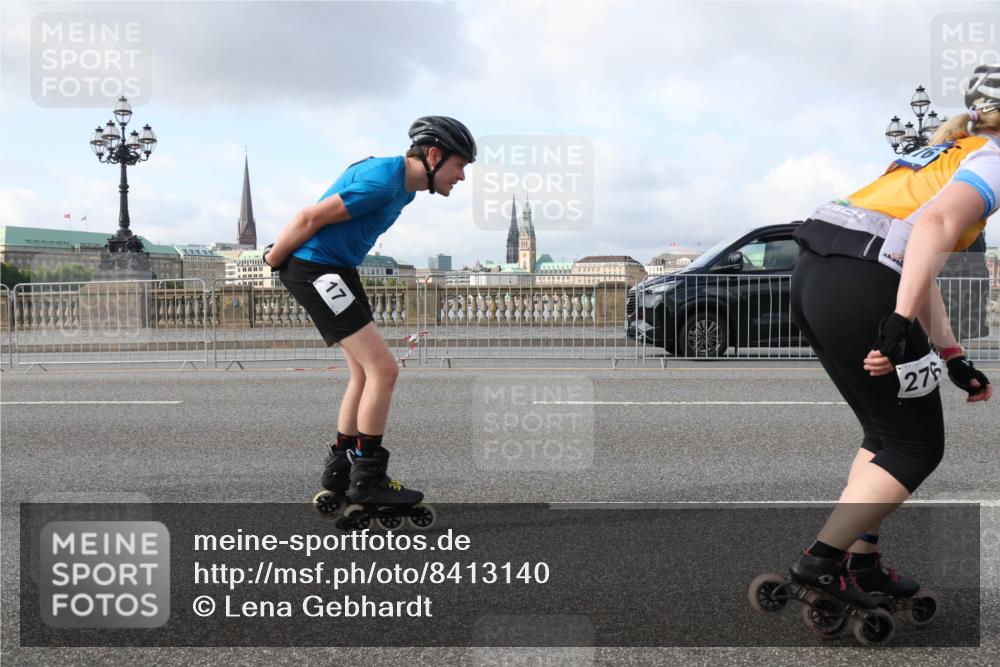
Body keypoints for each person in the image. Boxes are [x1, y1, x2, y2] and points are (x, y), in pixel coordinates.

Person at [788, 63, 998, 608]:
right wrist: (900, 323)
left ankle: (862, 563)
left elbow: (914, 259)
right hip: (863, 280)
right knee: (915, 445)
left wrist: (951, 356)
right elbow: (929, 233)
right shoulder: (994, 160)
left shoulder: (940, 152)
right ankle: (821, 561)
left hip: (818, 271)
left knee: (884, 434)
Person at [262, 116, 476, 517]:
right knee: (384, 370)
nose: (462, 176)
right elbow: (311, 218)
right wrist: (272, 258)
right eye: (460, 165)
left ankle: (341, 468)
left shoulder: (405, 190)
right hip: (316, 268)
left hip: (338, 269)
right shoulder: (383, 180)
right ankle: (369, 479)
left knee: (364, 373)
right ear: (433, 155)